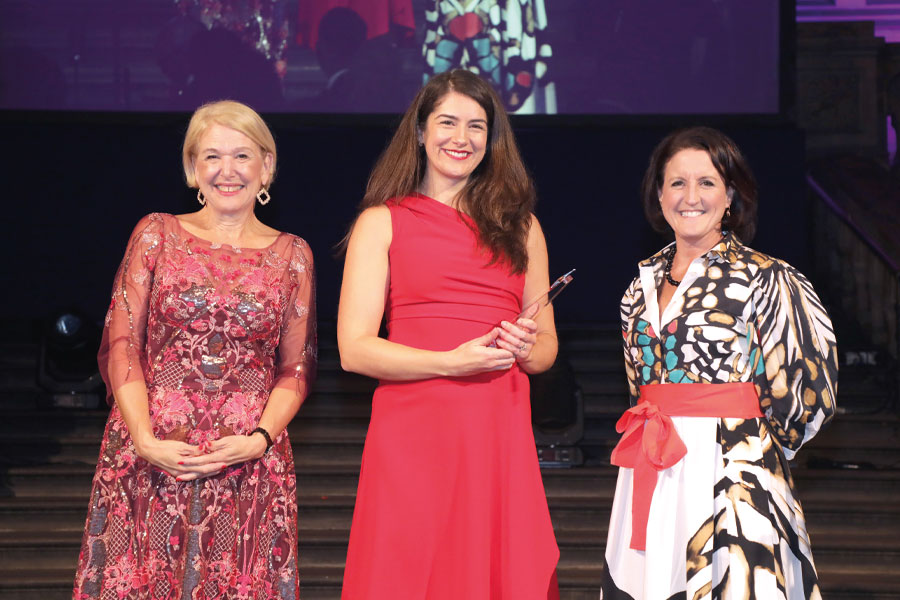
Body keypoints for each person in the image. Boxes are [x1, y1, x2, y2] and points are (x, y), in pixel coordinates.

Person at [72, 100, 316, 599]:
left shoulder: (293, 254)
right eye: (212, 157)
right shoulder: (156, 234)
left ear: (266, 165)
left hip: (247, 462)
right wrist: (142, 438)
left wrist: (260, 438)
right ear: (192, 169)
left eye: (243, 156)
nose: (227, 171)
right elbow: (122, 345)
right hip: (154, 452)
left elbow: (297, 366)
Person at [337, 69, 560, 599]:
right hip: (414, 425)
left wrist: (529, 348)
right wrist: (448, 362)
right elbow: (354, 349)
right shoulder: (382, 221)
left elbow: (548, 346)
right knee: (410, 565)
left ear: (492, 139)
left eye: (477, 127)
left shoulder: (522, 226)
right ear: (419, 131)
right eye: (447, 122)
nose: (461, 138)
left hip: (496, 423)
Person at [602, 126, 838, 599]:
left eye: (707, 182)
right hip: (650, 460)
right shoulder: (637, 287)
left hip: (732, 469)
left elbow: (809, 390)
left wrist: (755, 453)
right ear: (659, 194)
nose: (691, 196)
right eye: (677, 183)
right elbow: (638, 386)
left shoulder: (767, 277)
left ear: (730, 195)